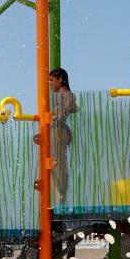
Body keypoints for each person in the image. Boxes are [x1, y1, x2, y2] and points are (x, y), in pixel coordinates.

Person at [47, 68, 77, 206]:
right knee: (52, 166)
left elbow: (61, 115)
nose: (50, 83)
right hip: (55, 131)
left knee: (57, 165)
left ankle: (60, 200)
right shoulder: (59, 96)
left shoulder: (67, 96)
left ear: (60, 79)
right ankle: (58, 198)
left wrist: (51, 117)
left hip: (58, 132)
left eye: (52, 80)